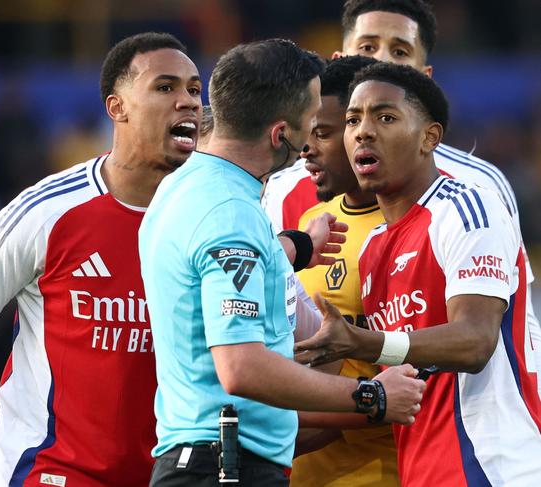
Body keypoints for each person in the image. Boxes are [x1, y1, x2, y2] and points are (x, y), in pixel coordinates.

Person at [0, 32, 202, 487]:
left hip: (168, 477)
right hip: (53, 474)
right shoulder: (48, 211)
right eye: (165, 87)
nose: (186, 101)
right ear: (117, 107)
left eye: (194, 89)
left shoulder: (212, 218)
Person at [139, 39, 425, 486]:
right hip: (226, 467)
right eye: (311, 123)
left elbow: (214, 267)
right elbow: (242, 367)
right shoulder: (231, 214)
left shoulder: (184, 187)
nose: (311, 140)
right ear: (280, 134)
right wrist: (371, 394)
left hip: (202, 457)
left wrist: (294, 249)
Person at [262, 0, 541, 395]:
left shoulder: (475, 186)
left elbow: (511, 325)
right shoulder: (287, 187)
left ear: (424, 75)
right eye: (368, 47)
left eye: (399, 52)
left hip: (448, 434)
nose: (378, 62)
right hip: (336, 438)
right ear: (339, 59)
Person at [295, 62, 541, 486]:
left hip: (492, 466)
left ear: (430, 137)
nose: (364, 131)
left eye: (385, 117)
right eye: (354, 120)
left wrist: (360, 342)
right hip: (422, 471)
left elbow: (476, 341)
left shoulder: (466, 208)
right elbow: (399, 381)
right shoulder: (372, 247)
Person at [286, 55, 403, 487]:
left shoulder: (410, 231)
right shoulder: (312, 224)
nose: (307, 148)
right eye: (306, 132)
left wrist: (269, 438)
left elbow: (408, 386)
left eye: (323, 133)